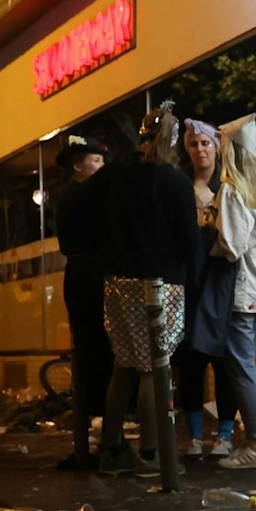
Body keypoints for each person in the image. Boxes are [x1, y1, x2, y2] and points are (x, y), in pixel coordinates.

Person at [65, 101, 202, 477]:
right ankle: (151, 453)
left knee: (124, 364)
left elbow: (81, 204)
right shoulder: (174, 182)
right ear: (173, 141)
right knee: (154, 368)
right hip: (162, 284)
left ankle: (112, 450)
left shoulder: (117, 177)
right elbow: (189, 241)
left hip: (117, 281)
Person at [212, 114, 256, 470]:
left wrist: (212, 232)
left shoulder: (233, 190)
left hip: (240, 292)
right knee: (245, 366)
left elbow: (232, 246)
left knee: (241, 369)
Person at [172, 118, 240, 462]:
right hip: (191, 283)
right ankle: (196, 436)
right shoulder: (181, 189)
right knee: (191, 364)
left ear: (216, 147)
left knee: (225, 362)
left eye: (205, 143)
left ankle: (225, 434)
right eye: (194, 144)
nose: (200, 149)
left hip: (222, 281)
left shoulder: (229, 186)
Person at [54, 137, 111, 469]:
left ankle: (94, 430)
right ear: (78, 165)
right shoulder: (84, 196)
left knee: (90, 352)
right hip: (91, 276)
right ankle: (101, 427)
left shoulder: (72, 196)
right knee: (96, 351)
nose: (100, 168)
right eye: (95, 161)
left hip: (81, 275)